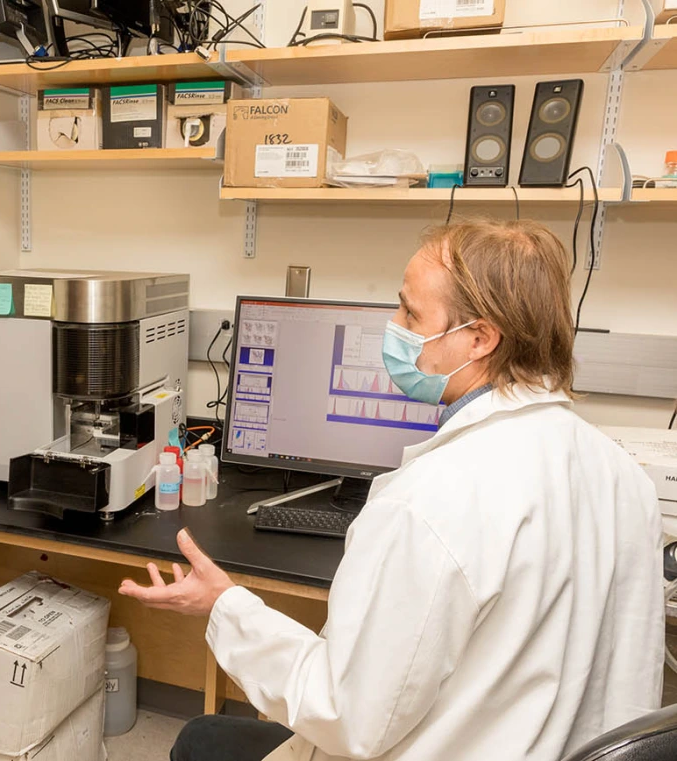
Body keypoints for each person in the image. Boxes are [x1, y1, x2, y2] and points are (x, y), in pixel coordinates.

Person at [121, 220, 664, 761]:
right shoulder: (622, 476)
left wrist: (226, 606)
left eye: (410, 313)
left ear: (479, 339)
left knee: (201, 738)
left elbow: (346, 716)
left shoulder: (430, 501)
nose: (394, 325)